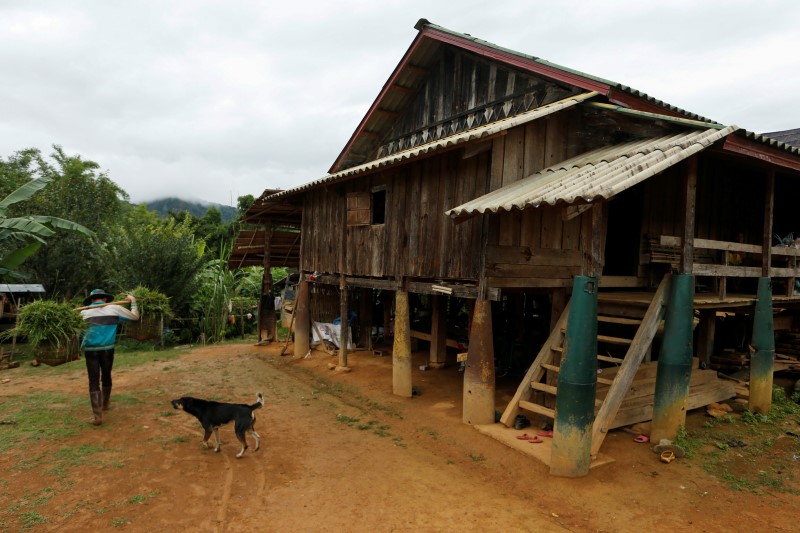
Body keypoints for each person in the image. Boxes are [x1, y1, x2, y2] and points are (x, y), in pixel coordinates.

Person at [79, 289, 140, 426]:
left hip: (90, 351)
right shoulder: (115, 309)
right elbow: (135, 317)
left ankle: (97, 416)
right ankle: (105, 404)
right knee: (106, 375)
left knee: (93, 380)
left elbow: (79, 334)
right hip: (107, 350)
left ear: (92, 299)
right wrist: (134, 302)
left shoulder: (83, 313)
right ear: (105, 299)